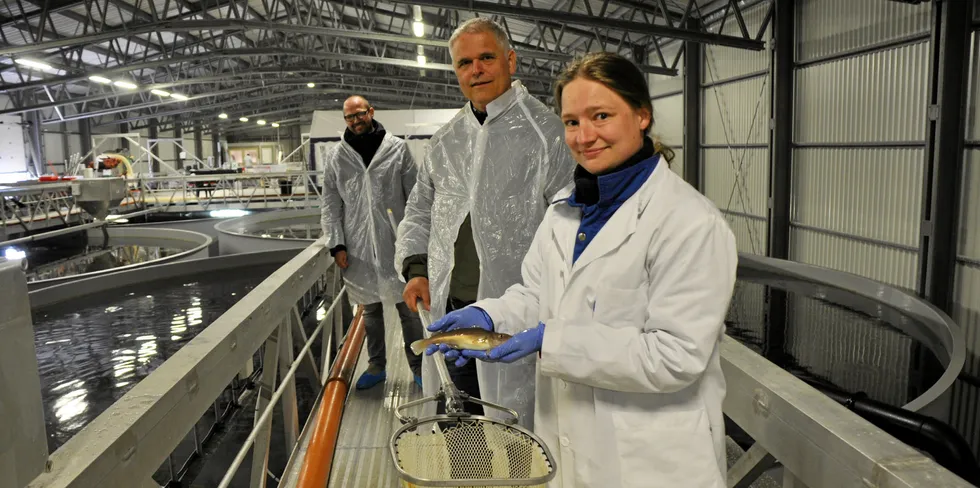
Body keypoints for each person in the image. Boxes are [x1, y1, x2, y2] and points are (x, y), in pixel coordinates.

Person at [425, 51, 738, 488]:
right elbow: (537, 294)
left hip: (652, 462)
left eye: (601, 116)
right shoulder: (565, 213)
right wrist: (490, 315)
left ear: (642, 116)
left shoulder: (688, 222)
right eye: (571, 122)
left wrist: (550, 339)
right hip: (569, 448)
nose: (584, 135)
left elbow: (675, 356)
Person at [394, 17, 575, 425]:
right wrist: (416, 268)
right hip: (453, 312)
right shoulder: (447, 139)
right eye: (464, 63)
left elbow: (570, 225)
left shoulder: (548, 135)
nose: (475, 70)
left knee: (516, 421)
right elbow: (420, 211)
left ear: (510, 59)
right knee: (455, 415)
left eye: (486, 58)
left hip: (518, 316)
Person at [319, 95, 425, 390]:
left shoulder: (397, 149)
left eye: (359, 114)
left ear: (371, 112)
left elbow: (414, 198)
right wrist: (337, 244)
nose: (355, 121)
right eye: (349, 117)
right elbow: (330, 204)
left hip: (396, 242)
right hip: (358, 246)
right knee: (370, 310)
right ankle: (377, 365)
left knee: (409, 308)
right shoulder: (337, 156)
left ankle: (418, 365)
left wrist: (415, 242)